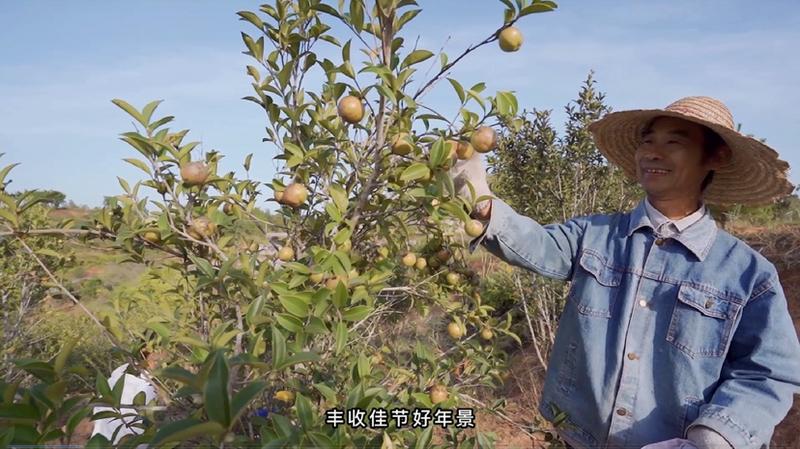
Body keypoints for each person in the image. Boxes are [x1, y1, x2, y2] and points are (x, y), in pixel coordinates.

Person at [450, 96, 800, 449]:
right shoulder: (596, 235)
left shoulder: (747, 274)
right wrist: (480, 198)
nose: (652, 152)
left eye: (673, 142)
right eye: (647, 141)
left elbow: (769, 373)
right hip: (579, 439)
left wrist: (715, 438)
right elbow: (540, 246)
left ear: (715, 157)